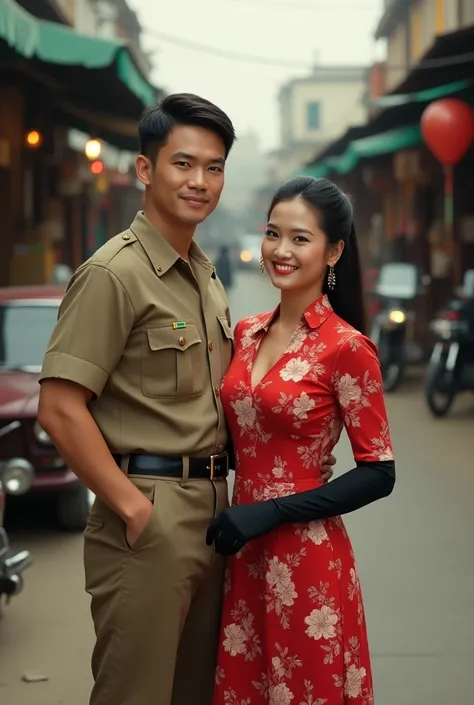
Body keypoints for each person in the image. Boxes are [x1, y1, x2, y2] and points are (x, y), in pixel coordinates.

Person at [37, 94, 336, 705]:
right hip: (146, 515)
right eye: (183, 164)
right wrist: (134, 509)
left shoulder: (203, 274)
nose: (199, 181)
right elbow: (61, 407)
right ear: (145, 171)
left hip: (214, 516)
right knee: (137, 693)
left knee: (197, 692)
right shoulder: (114, 274)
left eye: (215, 167)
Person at [206, 176, 396, 704]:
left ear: (334, 250)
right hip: (242, 551)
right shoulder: (244, 333)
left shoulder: (347, 348)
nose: (280, 251)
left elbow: (380, 472)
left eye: (300, 238)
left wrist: (271, 513)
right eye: (273, 233)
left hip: (306, 558)